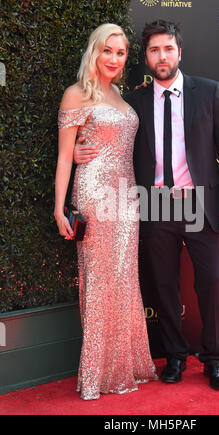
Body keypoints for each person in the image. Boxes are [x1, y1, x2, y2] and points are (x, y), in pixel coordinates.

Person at [74, 20, 219, 391]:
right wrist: (76, 149)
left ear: (179, 53)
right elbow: (110, 141)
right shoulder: (132, 101)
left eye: (168, 49)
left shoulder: (208, 92)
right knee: (164, 286)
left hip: (200, 204)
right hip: (154, 206)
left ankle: (214, 360)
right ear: (146, 58)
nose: (162, 56)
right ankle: (176, 357)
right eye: (154, 50)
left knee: (211, 285)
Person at [54, 23, 157, 401]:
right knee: (99, 285)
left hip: (126, 201)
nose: (114, 59)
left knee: (125, 281)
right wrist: (59, 208)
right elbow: (66, 156)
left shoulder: (120, 94)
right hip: (95, 197)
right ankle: (98, 376)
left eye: (121, 52)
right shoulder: (76, 94)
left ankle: (127, 366)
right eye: (107, 50)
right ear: (93, 52)